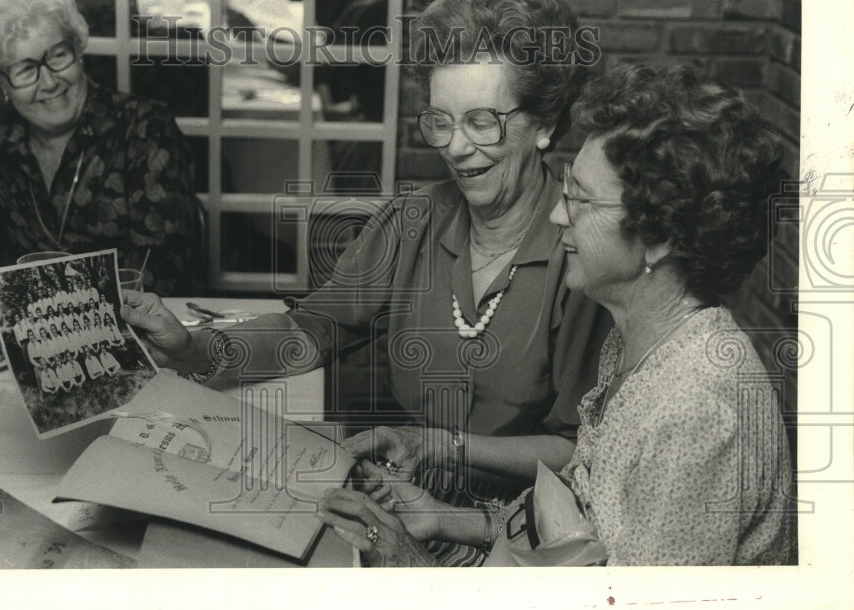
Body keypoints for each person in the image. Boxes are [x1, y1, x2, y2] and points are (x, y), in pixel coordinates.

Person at [122, 0, 612, 566]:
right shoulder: (415, 220)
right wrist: (195, 346)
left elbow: (580, 453)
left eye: (482, 123)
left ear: (544, 125)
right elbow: (312, 330)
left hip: (519, 541)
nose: (456, 148)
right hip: (402, 503)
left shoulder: (584, 257)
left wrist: (438, 447)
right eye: (440, 122)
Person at [317, 64, 796, 566]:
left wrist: (414, 564)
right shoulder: (638, 338)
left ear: (660, 235)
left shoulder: (694, 412)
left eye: (580, 200)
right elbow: (582, 527)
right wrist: (442, 518)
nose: (557, 215)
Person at [0, 0, 203, 294]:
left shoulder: (145, 131)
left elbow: (159, 277)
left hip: (137, 329)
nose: (50, 81)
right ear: (0, 83)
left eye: (58, 55)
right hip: (39, 332)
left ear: (78, 51)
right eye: (26, 70)